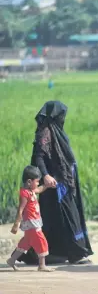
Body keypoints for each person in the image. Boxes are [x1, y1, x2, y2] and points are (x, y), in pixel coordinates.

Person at [17, 101, 93, 265]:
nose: (63, 118)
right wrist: (46, 175)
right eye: (61, 115)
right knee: (67, 213)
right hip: (55, 182)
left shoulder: (56, 131)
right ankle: (76, 253)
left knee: (56, 216)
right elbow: (39, 156)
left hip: (63, 180)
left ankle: (52, 252)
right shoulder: (45, 132)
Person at [7, 166, 54, 272]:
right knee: (41, 241)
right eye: (37, 181)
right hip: (31, 223)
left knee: (26, 243)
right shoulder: (24, 194)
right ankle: (42, 265)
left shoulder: (31, 190)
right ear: (29, 182)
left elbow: (40, 189)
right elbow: (20, 210)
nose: (38, 184)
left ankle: (12, 260)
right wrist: (16, 224)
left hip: (34, 222)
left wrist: (46, 185)